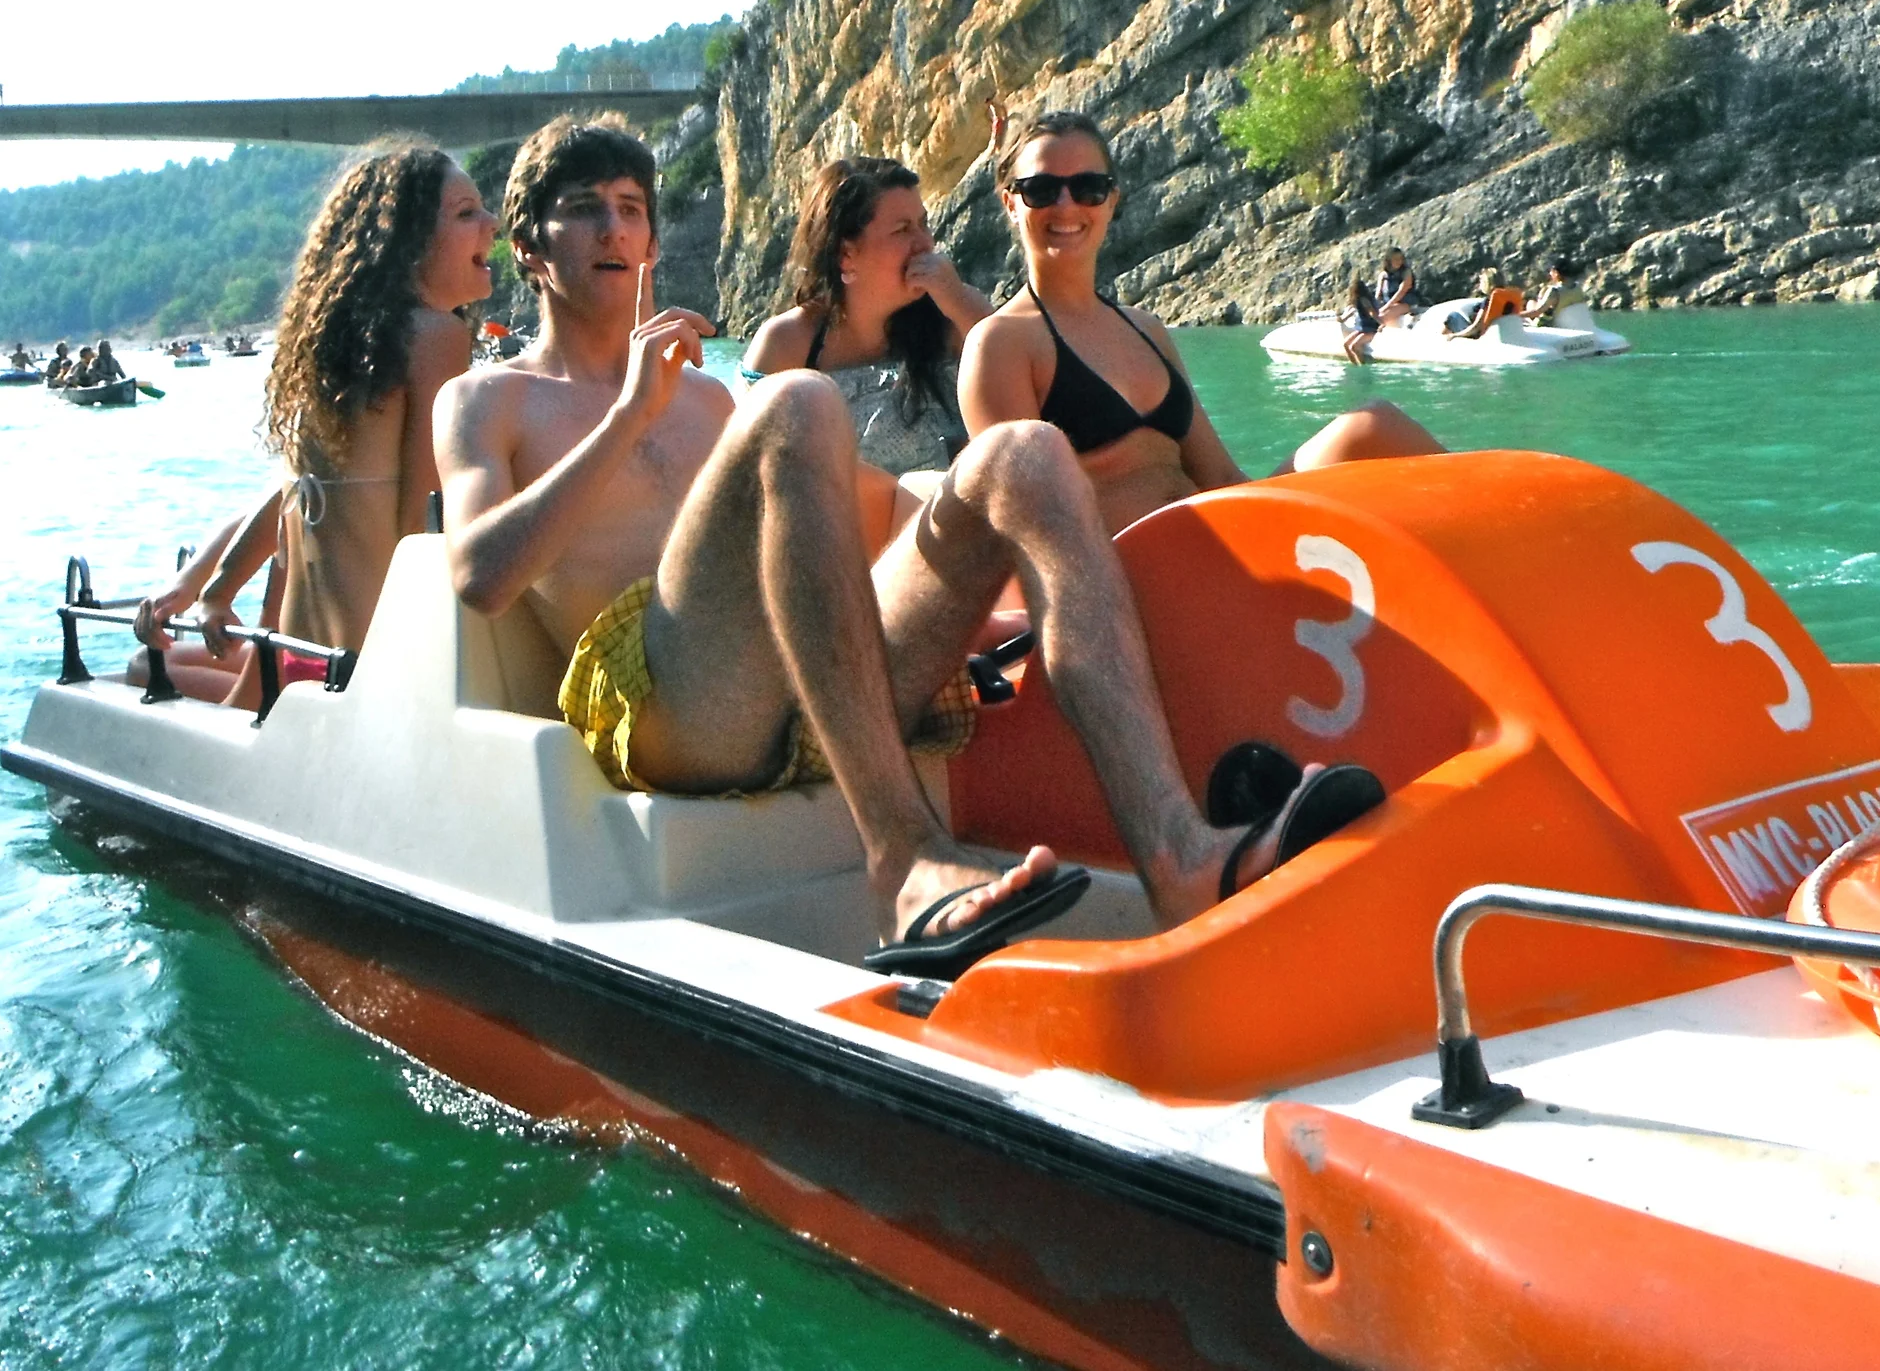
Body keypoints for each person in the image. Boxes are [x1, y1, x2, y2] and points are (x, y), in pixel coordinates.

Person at [438, 118, 1370, 976]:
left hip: (808, 685)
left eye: (630, 210)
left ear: (649, 239)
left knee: (1022, 454)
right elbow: (479, 575)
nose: (613, 229)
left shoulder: (706, 401)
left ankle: (1180, 851)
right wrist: (628, 415)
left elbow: (877, 508)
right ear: (528, 247)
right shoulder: (490, 401)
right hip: (673, 713)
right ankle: (903, 859)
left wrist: (981, 575)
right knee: (798, 400)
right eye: (582, 211)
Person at [960, 110, 1443, 538]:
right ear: (1010, 203)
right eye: (1042, 190)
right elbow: (1032, 535)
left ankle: (1507, 551)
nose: (1066, 206)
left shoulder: (1145, 329)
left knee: (1372, 426)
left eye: (1088, 188)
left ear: (1110, 201)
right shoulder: (1001, 343)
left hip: (1218, 537)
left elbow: (1221, 478)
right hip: (1133, 580)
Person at [138, 138, 500, 704]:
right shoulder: (437, 335)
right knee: (153, 667)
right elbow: (423, 525)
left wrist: (214, 588)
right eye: (466, 213)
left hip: (300, 653)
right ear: (406, 244)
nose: (492, 223)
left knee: (146, 667)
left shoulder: (345, 353)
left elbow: (295, 493)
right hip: (370, 665)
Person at [742, 156, 994, 545]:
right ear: (846, 253)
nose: (925, 243)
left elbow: (1018, 395)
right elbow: (752, 477)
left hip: (954, 542)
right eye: (902, 230)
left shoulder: (954, 319)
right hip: (839, 553)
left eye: (924, 224)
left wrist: (959, 300)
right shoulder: (788, 344)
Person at [1444, 267, 1527, 340]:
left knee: (1453, 316)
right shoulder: (1509, 299)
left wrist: (1455, 335)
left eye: (1481, 281)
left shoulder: (1489, 301)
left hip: (1480, 336)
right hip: (1506, 334)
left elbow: (1476, 327)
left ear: (1487, 283)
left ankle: (1443, 340)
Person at [1342, 277, 1380, 364]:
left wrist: (1380, 323)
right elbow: (1353, 310)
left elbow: (1372, 312)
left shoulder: (1364, 300)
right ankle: (1355, 364)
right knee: (1346, 344)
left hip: (1370, 328)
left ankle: (1362, 365)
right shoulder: (1358, 300)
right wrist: (1343, 319)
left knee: (1354, 346)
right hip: (1361, 328)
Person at [1374, 247, 1416, 326]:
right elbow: (1378, 296)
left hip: (1406, 304)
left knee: (1380, 318)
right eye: (1396, 259)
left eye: (1401, 258)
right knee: (1372, 317)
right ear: (1389, 260)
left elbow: (1402, 291)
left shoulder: (1406, 272)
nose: (1399, 261)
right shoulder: (1383, 275)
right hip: (1389, 305)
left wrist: (1385, 307)